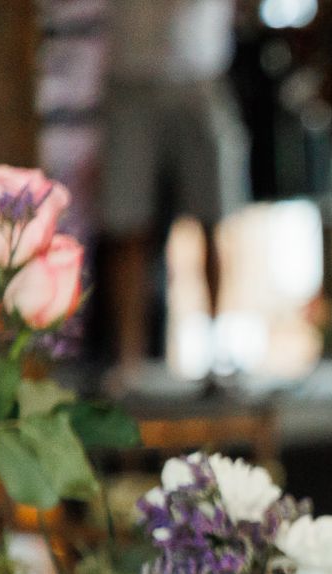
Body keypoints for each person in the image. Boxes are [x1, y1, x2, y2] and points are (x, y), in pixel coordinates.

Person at [101, 0, 251, 385]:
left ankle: (219, 352)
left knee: (215, 219)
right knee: (127, 224)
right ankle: (128, 364)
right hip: (132, 74)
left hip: (201, 72)